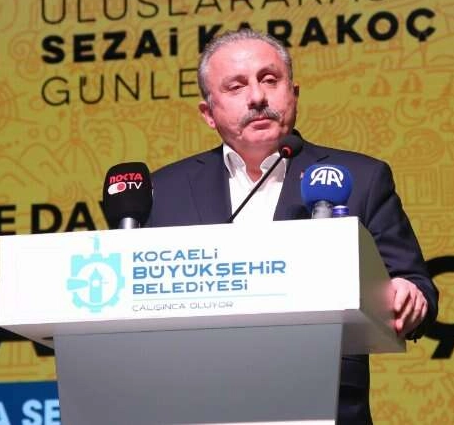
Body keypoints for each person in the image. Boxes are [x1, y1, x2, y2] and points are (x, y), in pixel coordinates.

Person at [147, 29, 438, 424]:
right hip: (196, 402)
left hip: (323, 403)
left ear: (294, 93)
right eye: (236, 86)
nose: (257, 97)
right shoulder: (165, 191)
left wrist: (409, 294)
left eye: (270, 80)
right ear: (208, 113)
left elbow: (414, 282)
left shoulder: (360, 177)